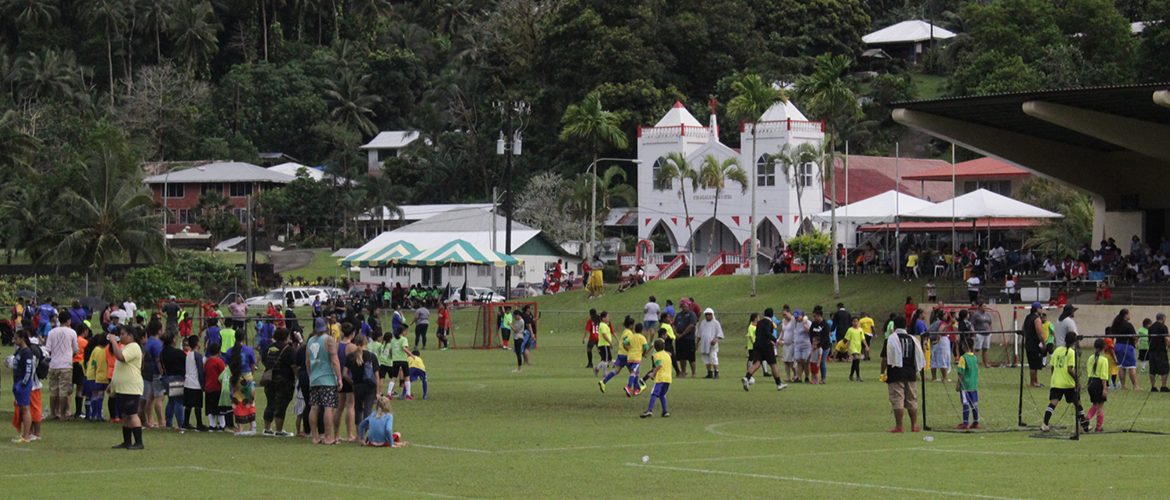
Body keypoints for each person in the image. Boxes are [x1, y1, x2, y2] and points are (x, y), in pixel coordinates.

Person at [880, 317, 925, 433]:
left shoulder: (890, 339)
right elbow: (919, 356)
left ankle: (899, 426)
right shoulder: (913, 339)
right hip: (910, 373)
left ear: (894, 326)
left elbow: (885, 358)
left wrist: (882, 372)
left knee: (897, 399)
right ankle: (914, 425)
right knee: (912, 399)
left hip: (896, 373)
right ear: (906, 326)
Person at [1042, 332, 1089, 434]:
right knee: (1077, 403)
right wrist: (1077, 380)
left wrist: (1054, 377)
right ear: (1074, 341)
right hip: (1068, 383)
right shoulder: (1071, 352)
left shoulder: (1057, 350)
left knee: (1053, 403)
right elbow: (1070, 369)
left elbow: (1053, 367)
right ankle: (1085, 426)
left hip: (1057, 382)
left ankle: (1045, 424)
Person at [108, 325, 145, 450]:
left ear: (131, 336)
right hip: (122, 387)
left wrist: (113, 341)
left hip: (131, 387)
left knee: (132, 414)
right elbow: (119, 368)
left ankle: (139, 442)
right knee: (125, 415)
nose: (121, 336)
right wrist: (112, 384)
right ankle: (127, 441)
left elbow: (121, 357)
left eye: (123, 334)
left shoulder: (134, 347)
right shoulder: (125, 347)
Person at [306, 318, 342, 445]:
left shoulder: (310, 341)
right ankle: (328, 436)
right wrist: (339, 378)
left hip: (314, 378)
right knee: (328, 407)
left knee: (314, 407)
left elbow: (308, 362)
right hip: (327, 378)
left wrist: (311, 375)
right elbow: (334, 360)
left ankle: (314, 437)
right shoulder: (328, 340)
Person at [742, 308, 788, 392]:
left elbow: (758, 334)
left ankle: (747, 377)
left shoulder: (759, 323)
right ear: (772, 315)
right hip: (766, 346)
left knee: (757, 363)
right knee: (773, 364)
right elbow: (767, 333)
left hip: (757, 345)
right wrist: (776, 341)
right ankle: (779, 384)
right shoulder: (769, 322)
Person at [262, 328, 297, 437]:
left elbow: (263, 360)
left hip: (269, 379)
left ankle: (267, 428)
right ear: (286, 337)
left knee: (270, 403)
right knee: (281, 404)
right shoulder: (288, 349)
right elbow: (293, 365)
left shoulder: (268, 348)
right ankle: (279, 430)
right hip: (284, 380)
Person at [44, 314, 78, 421]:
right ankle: (63, 414)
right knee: (64, 391)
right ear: (68, 320)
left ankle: (54, 412)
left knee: (53, 390)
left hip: (54, 364)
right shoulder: (72, 332)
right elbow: (76, 349)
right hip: (66, 365)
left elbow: (47, 349)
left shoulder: (52, 332)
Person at [599, 316, 640, 393]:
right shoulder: (629, 333)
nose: (634, 326)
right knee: (634, 372)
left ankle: (603, 382)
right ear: (631, 325)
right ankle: (635, 389)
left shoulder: (625, 331)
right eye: (633, 325)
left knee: (616, 370)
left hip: (620, 354)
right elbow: (627, 343)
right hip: (626, 355)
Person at [347, 334, 380, 424]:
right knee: (368, 409)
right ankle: (365, 432)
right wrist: (378, 391)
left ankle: (359, 434)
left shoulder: (351, 356)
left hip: (357, 385)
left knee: (358, 409)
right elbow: (377, 375)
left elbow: (344, 374)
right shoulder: (372, 356)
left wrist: (352, 382)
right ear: (366, 343)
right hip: (370, 386)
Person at [10, 330, 36, 443]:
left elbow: (29, 370)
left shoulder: (27, 352)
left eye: (16, 338)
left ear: (22, 339)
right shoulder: (19, 351)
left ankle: (26, 436)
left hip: (23, 383)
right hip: (17, 382)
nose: (15, 341)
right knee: (21, 408)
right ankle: (24, 434)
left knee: (25, 409)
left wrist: (23, 384)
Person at [159, 333, 187, 431]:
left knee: (171, 401)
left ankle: (169, 423)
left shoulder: (162, 352)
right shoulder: (178, 352)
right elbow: (186, 362)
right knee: (179, 401)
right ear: (173, 340)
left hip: (167, 378)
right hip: (177, 379)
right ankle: (181, 424)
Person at [640, 338, 672, 418]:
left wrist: (653, 373)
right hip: (668, 378)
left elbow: (659, 365)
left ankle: (649, 411)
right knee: (662, 395)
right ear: (664, 346)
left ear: (655, 347)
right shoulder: (667, 355)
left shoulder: (656, 355)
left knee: (654, 394)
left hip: (660, 378)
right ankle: (665, 411)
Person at [181, 335, 206, 432]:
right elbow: (200, 370)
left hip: (187, 382)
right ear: (197, 344)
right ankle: (199, 423)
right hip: (195, 383)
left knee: (188, 404)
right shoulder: (197, 355)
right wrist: (202, 384)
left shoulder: (188, 355)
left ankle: (186, 422)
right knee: (198, 405)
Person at [84, 332, 111, 422]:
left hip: (92, 374)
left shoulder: (96, 349)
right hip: (99, 375)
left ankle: (93, 414)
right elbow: (100, 363)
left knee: (94, 395)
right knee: (100, 395)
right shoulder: (104, 350)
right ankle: (98, 415)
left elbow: (93, 362)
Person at [955, 339, 981, 430]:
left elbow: (961, 373)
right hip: (973, 385)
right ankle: (976, 422)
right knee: (974, 404)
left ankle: (965, 423)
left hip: (965, 385)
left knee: (965, 403)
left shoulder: (963, 358)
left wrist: (958, 384)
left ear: (965, 346)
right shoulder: (974, 357)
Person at [1085, 339, 1109, 433]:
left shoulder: (1090, 358)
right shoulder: (1104, 360)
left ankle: (1087, 419)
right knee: (1100, 407)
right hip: (1099, 383)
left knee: (1095, 404)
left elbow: (1088, 370)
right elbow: (1103, 375)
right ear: (1104, 348)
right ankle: (1098, 428)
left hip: (1090, 382)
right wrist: (1105, 388)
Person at [1112, 309, 1139, 390]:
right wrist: (1137, 338)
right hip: (1127, 346)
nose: (1129, 316)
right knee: (1131, 367)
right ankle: (1135, 386)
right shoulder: (1128, 325)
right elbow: (1134, 336)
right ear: (1125, 315)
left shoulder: (1116, 324)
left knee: (1121, 367)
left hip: (1118, 346)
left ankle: (1123, 386)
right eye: (1129, 314)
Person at [202, 343, 227, 432]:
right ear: (219, 351)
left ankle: (212, 425)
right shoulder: (219, 361)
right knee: (219, 408)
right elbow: (223, 375)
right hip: (217, 388)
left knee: (210, 408)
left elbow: (204, 373)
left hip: (208, 388)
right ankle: (222, 425)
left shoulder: (207, 361)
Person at [1022, 302, 1046, 388]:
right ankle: (1033, 382)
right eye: (1040, 308)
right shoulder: (1037, 319)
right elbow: (1040, 333)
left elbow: (1023, 329)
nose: (1041, 310)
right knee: (1034, 365)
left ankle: (1035, 381)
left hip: (1028, 343)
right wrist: (1044, 343)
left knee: (1032, 364)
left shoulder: (1028, 317)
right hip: (1034, 344)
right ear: (1037, 309)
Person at [697, 308, 724, 379]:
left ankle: (716, 372)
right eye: (706, 314)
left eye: (709, 314)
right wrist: (697, 343)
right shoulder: (703, 323)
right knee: (706, 358)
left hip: (712, 345)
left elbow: (720, 334)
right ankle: (709, 372)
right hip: (704, 344)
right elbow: (699, 334)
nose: (707, 316)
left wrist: (715, 339)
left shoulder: (716, 323)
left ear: (712, 315)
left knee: (713, 357)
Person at [673, 303, 697, 377]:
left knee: (691, 357)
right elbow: (674, 324)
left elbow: (691, 325)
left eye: (686, 306)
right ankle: (683, 372)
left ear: (688, 306)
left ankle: (693, 373)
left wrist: (682, 334)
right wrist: (676, 333)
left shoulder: (692, 314)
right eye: (683, 306)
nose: (684, 308)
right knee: (681, 357)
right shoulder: (679, 315)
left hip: (688, 338)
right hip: (679, 339)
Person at [1147, 313, 1169, 392]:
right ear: (1163, 318)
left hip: (1152, 351)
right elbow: (1167, 339)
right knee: (1165, 368)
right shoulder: (1164, 327)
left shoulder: (1151, 327)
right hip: (1161, 351)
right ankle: (1163, 386)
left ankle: (1153, 387)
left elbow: (1148, 339)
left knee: (1152, 369)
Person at [386, 328, 411, 398]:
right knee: (407, 377)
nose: (406, 332)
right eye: (405, 331)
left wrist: (391, 356)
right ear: (402, 332)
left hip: (395, 361)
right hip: (403, 360)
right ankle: (408, 395)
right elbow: (404, 348)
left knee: (393, 377)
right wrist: (411, 355)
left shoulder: (393, 340)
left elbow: (390, 350)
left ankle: (389, 393)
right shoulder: (404, 339)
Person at [971, 303, 994, 368]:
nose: (985, 307)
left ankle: (986, 364)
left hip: (987, 334)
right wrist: (974, 332)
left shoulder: (988, 315)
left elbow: (990, 323)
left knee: (985, 349)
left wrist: (990, 330)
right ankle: (973, 364)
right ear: (980, 307)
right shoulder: (976, 315)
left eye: (986, 306)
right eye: (984, 306)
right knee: (977, 349)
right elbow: (972, 324)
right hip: (979, 334)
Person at [846, 317, 866, 382]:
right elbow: (848, 340)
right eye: (854, 321)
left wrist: (866, 346)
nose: (855, 323)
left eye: (856, 321)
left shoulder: (860, 330)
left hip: (858, 348)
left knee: (855, 362)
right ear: (852, 322)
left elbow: (863, 339)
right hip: (852, 348)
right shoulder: (850, 330)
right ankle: (858, 377)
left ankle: (851, 376)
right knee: (856, 361)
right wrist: (848, 348)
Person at [594, 311, 613, 377]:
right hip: (604, 344)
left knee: (608, 359)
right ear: (603, 318)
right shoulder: (603, 325)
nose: (608, 318)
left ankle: (597, 368)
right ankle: (605, 373)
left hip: (604, 344)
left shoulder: (604, 325)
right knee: (605, 360)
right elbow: (604, 335)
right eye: (607, 317)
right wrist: (610, 342)